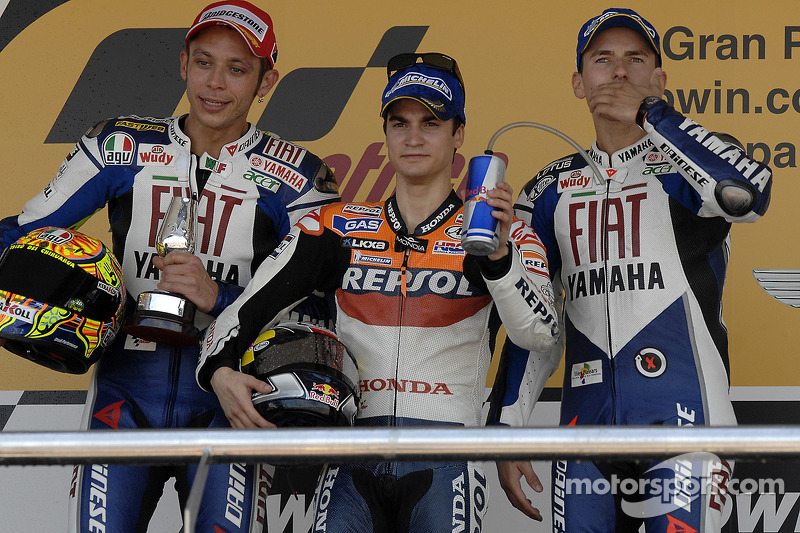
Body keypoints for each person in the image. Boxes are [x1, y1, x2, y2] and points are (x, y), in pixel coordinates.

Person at [0, 1, 340, 531]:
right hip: (125, 391)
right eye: (204, 62)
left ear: (266, 80)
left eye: (237, 69)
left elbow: (322, 307)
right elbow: (24, 234)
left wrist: (220, 299)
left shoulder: (299, 177)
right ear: (183, 63)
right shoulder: (119, 145)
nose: (215, 84)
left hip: (227, 397)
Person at [196, 52, 560, 532]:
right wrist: (220, 372)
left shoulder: (504, 236)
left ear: (459, 135)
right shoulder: (334, 228)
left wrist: (498, 260)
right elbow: (241, 314)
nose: (413, 137)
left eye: (431, 122)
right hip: (349, 456)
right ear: (385, 132)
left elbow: (539, 334)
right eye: (399, 122)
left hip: (448, 455)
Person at [488, 6, 773, 532]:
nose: (619, 71)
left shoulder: (692, 163)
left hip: (688, 423)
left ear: (658, 79)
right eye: (603, 59)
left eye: (635, 59)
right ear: (579, 83)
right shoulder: (548, 191)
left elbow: (748, 195)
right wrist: (507, 425)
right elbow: (537, 322)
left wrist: (654, 116)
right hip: (584, 429)